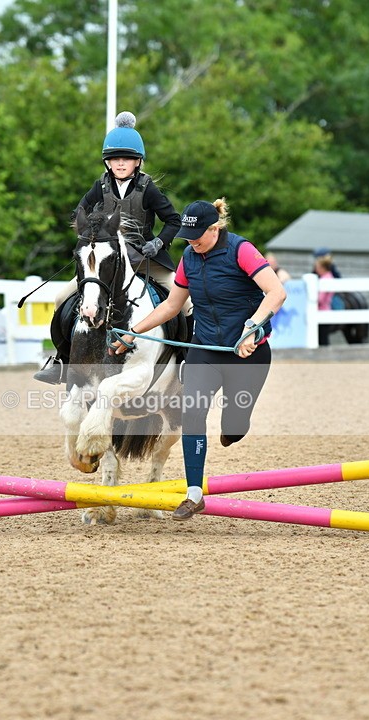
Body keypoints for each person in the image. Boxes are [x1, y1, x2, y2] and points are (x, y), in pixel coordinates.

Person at [111, 198, 286, 521]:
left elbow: (276, 292)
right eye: (188, 238)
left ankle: (233, 428)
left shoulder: (241, 250)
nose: (192, 243)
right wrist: (133, 331)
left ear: (215, 227)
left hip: (248, 353)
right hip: (204, 350)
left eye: (197, 236)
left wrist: (251, 328)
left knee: (234, 426)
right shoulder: (189, 258)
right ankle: (194, 493)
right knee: (192, 410)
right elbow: (171, 306)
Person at [35, 111, 184, 384]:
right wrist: (93, 231)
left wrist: (158, 242)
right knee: (60, 299)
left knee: (184, 302)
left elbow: (173, 220)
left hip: (144, 259)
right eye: (115, 158)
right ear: (107, 161)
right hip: (106, 261)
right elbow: (80, 212)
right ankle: (62, 360)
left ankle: (184, 362)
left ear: (137, 161)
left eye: (126, 158)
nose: (120, 163)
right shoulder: (100, 186)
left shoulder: (147, 188)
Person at [313, 247, 338, 346]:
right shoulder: (329, 276)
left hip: (322, 311)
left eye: (317, 267)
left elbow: (320, 299)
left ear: (322, 268)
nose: (316, 269)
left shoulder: (325, 280)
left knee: (322, 339)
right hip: (326, 309)